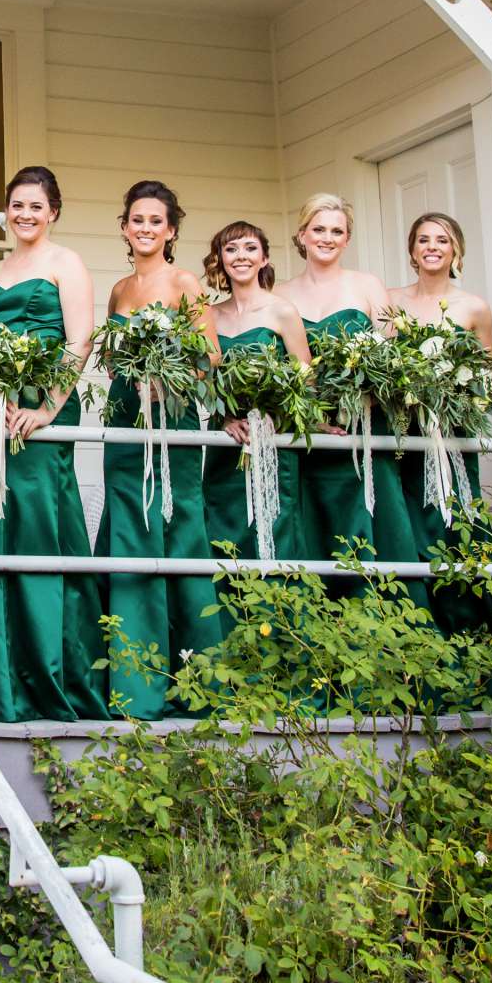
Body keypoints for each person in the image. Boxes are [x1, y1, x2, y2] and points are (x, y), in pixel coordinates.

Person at [0, 166, 105, 721]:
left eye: (35, 206)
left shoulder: (65, 263)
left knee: (41, 528)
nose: (25, 215)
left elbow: (80, 340)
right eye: (16, 206)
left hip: (43, 416)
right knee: (2, 531)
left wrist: (46, 406)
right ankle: (5, 680)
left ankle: (52, 674)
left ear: (53, 211)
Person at [182, 221, 318, 683]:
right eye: (230, 248)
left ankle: (283, 660)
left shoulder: (282, 312)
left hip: (273, 450)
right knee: (224, 541)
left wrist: (277, 417)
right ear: (219, 259)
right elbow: (201, 381)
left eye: (249, 248)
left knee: (276, 539)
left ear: (264, 258)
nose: (240, 255)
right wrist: (222, 417)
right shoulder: (210, 316)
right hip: (226, 449)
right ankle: (230, 663)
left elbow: (305, 379)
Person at [274, 193, 425, 601]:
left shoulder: (367, 285)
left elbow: (396, 358)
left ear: (347, 239)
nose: (327, 238)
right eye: (318, 229)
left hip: (363, 426)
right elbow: (280, 368)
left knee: (370, 518)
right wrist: (308, 411)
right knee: (314, 523)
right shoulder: (281, 293)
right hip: (308, 433)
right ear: (302, 235)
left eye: (336, 231)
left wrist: (370, 394)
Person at [95, 180, 207, 720]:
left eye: (155, 220)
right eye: (136, 219)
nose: (145, 228)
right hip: (124, 417)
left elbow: (208, 358)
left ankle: (192, 678)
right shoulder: (118, 290)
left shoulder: (185, 282)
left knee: (174, 527)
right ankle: (131, 681)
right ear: (124, 227)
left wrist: (169, 376)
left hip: (170, 418)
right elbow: (110, 360)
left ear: (171, 229)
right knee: (128, 531)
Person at [387, 211, 492, 645]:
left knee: (456, 526)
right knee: (409, 528)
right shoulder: (391, 302)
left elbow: (488, 374)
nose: (432, 247)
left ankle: (478, 635)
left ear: (456, 249)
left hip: (452, 434)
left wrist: (454, 397)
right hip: (403, 435)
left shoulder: (473, 307)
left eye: (442, 240)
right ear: (412, 250)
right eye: (423, 240)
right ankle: (424, 634)